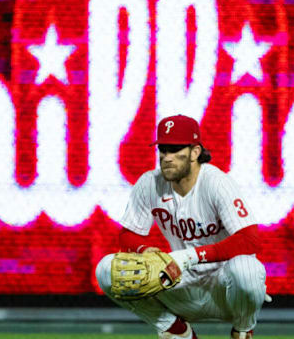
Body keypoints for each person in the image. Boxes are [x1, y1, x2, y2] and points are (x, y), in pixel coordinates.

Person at [95, 114, 268, 339]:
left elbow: (250, 239)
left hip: (225, 290)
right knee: (107, 270)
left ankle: (243, 329)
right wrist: (143, 250)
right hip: (180, 282)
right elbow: (128, 235)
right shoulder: (150, 183)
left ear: (195, 152)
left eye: (176, 149)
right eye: (163, 149)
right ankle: (175, 329)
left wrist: (190, 256)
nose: (167, 157)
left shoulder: (217, 183)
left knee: (248, 269)